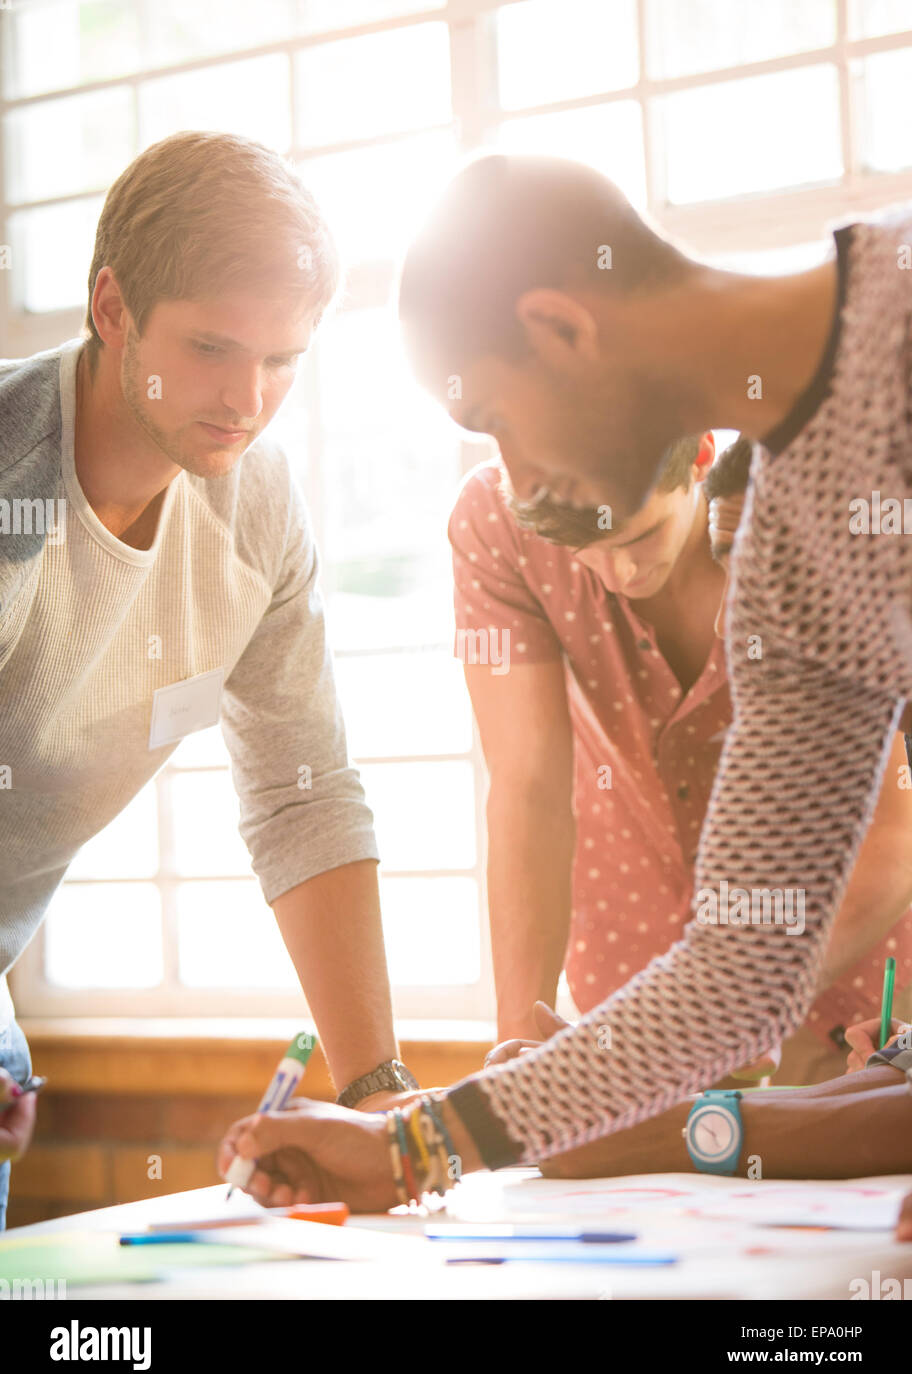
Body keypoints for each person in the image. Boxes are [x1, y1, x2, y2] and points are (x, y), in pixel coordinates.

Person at [214, 151, 912, 1211]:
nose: (521, 484)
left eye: (496, 419)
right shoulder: (793, 551)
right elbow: (740, 968)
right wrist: (416, 1147)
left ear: (562, 331)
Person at [0, 132, 419, 1228]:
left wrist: (381, 1101)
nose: (248, 397)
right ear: (111, 307)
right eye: (212, 347)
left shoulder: (258, 507)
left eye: (284, 360)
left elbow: (305, 794)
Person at [453, 433, 912, 1085]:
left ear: (698, 454)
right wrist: (518, 1065)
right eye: (589, 552)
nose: (623, 576)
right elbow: (529, 794)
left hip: (860, 985)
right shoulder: (497, 516)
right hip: (634, 994)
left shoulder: (795, 513)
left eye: (642, 535)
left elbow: (893, 828)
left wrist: (740, 1003)